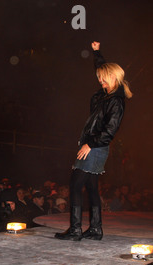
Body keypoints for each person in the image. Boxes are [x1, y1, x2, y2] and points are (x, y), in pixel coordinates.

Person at [55, 41, 133, 241]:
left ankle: (75, 230)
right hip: (95, 147)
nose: (100, 82)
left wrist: (90, 144)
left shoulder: (116, 101)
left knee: (75, 185)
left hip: (95, 147)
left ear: (113, 78)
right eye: (99, 78)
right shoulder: (106, 95)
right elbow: (102, 67)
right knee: (90, 188)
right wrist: (97, 52)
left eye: (104, 79)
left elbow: (110, 131)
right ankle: (96, 229)